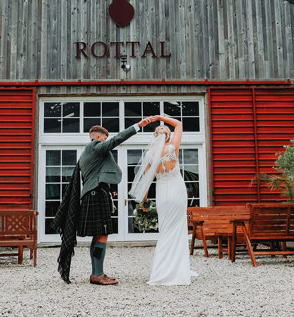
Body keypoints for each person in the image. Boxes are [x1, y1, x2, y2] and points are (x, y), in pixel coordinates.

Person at [52, 117, 153, 285]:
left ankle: (97, 273)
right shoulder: (94, 146)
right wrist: (138, 126)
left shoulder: (88, 151)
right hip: (96, 195)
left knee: (99, 235)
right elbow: (116, 140)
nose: (106, 143)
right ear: (98, 137)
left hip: (94, 194)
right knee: (102, 234)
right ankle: (97, 274)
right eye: (105, 139)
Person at [129, 115, 197, 285]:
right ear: (168, 136)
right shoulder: (173, 148)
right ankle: (178, 270)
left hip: (162, 193)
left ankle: (161, 271)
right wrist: (159, 117)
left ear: (155, 137)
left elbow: (146, 180)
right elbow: (179, 124)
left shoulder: (149, 155)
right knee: (178, 228)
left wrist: (143, 201)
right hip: (177, 191)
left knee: (165, 230)